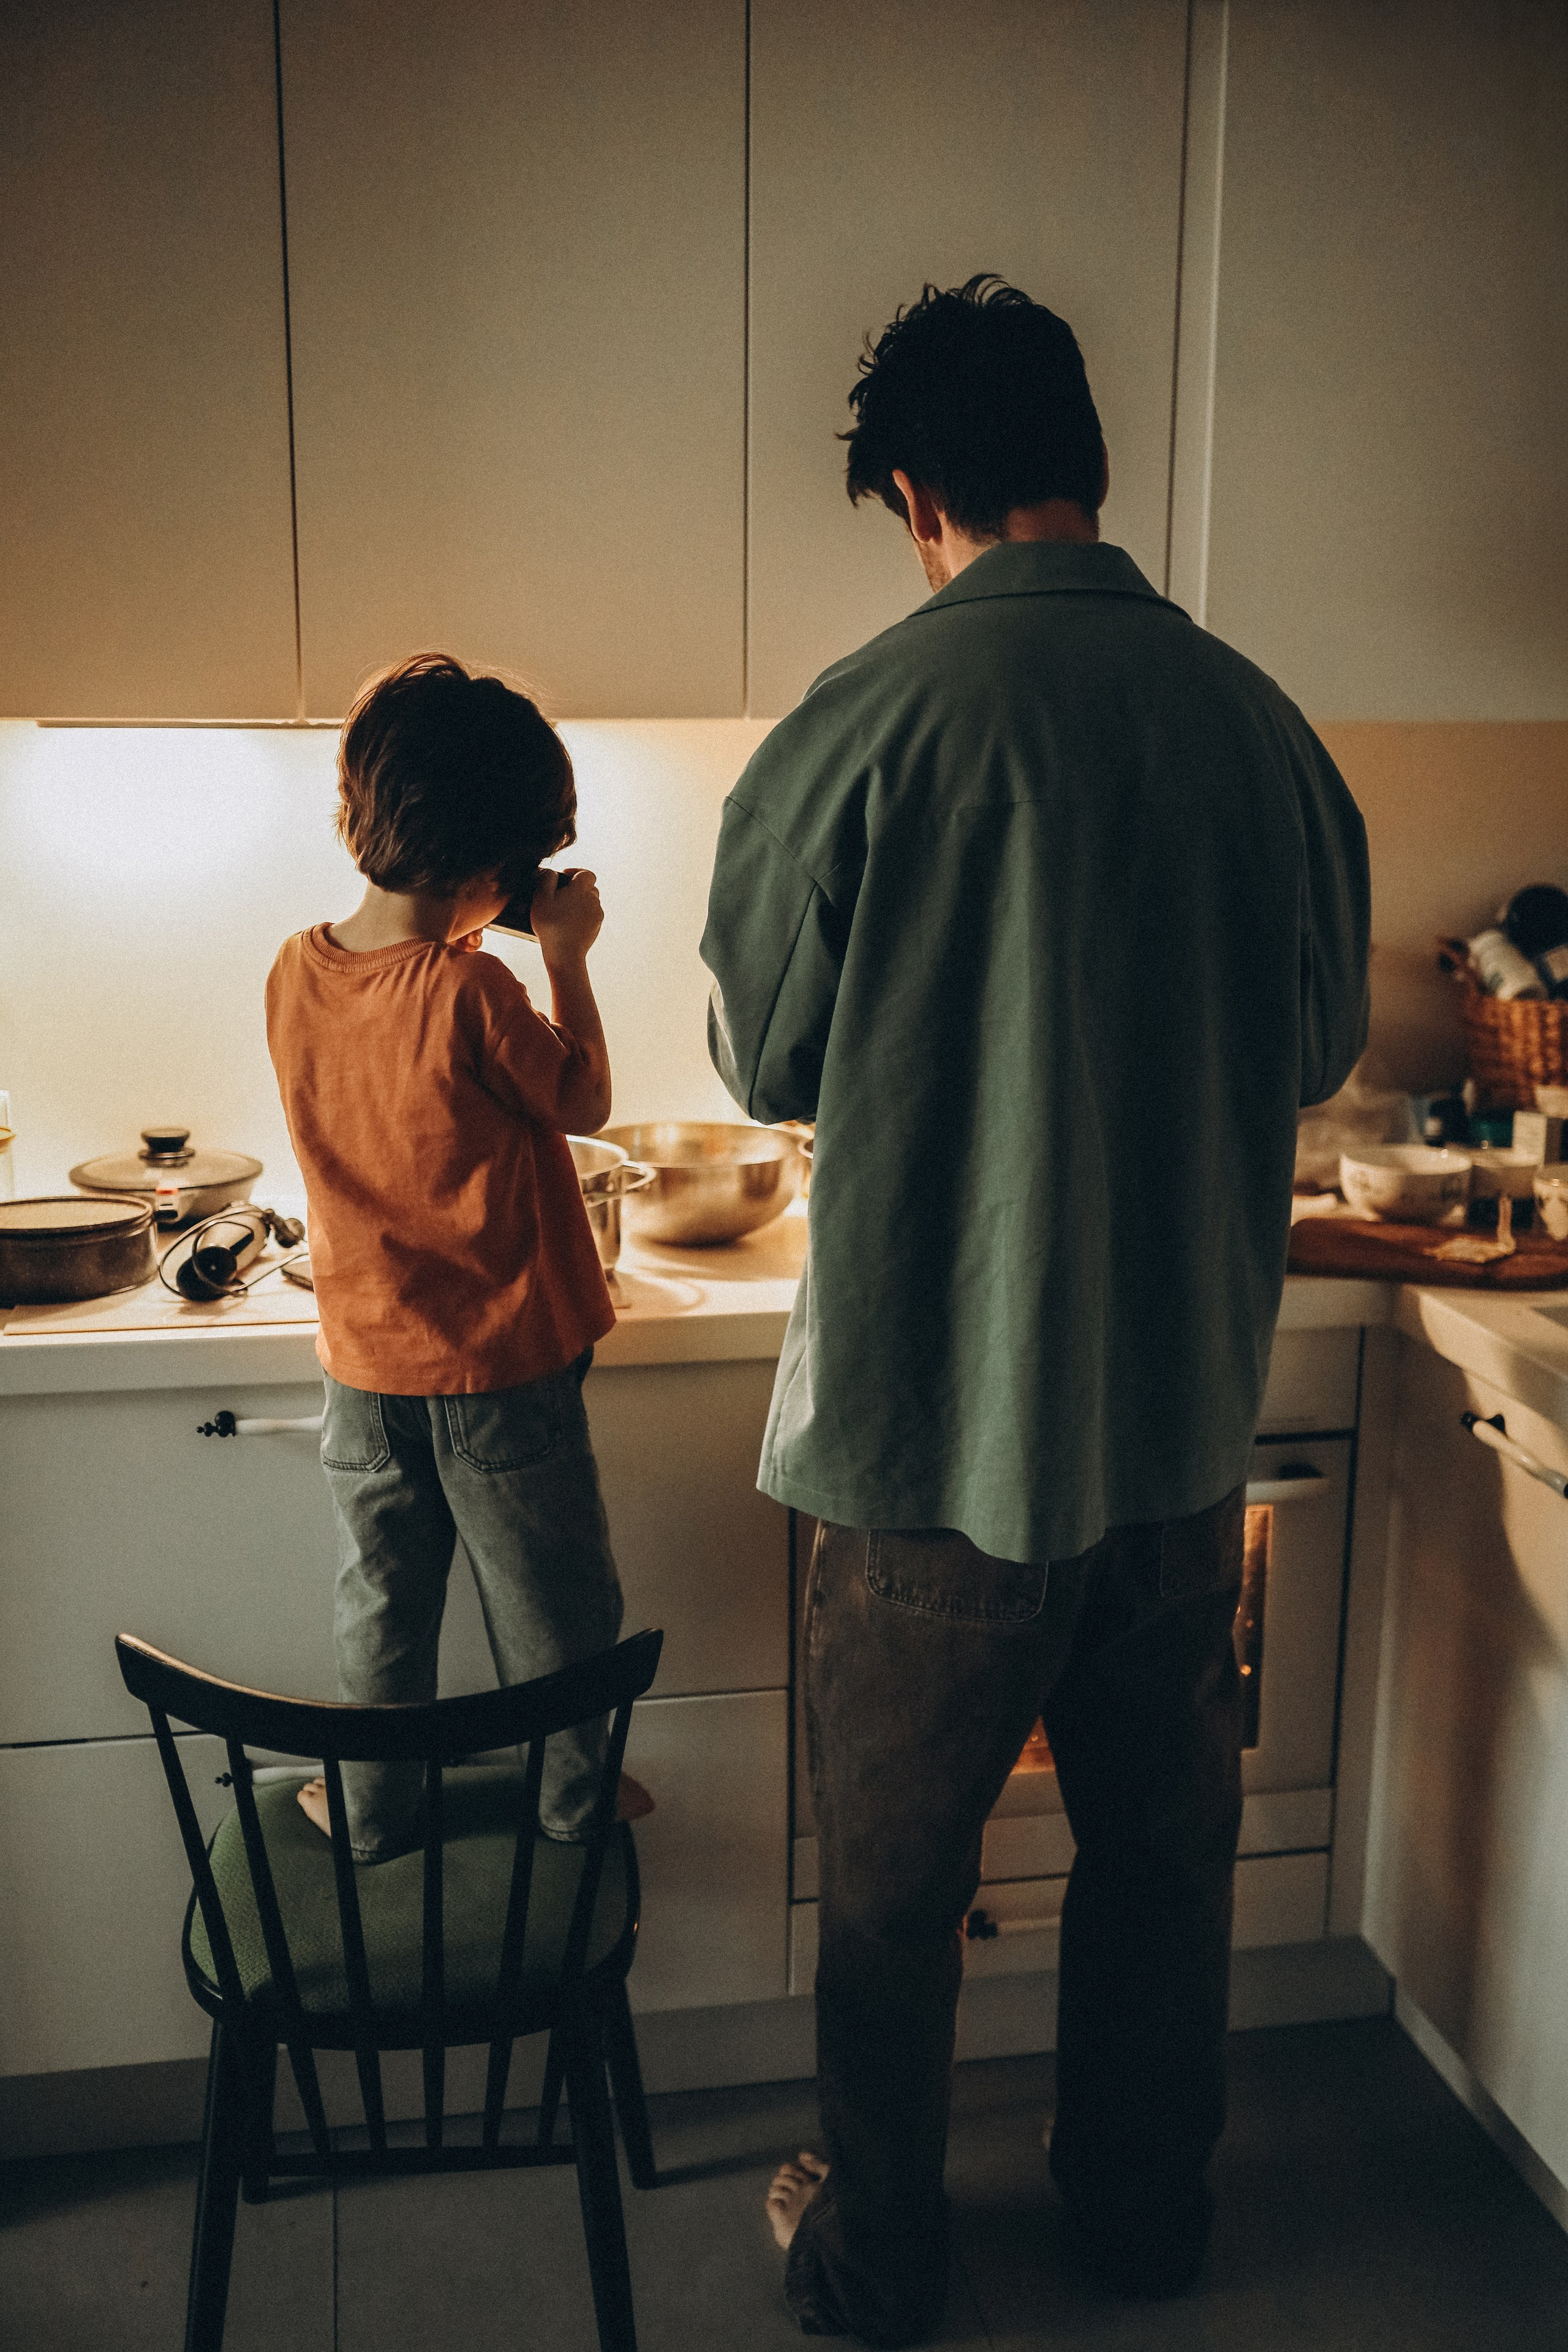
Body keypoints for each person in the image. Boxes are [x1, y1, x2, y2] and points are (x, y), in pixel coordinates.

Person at [701, 277, 1370, 2345]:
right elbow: (1319, 1043)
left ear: (918, 495)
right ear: (1088, 464)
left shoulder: (859, 726)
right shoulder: (1261, 729)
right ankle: (1143, 2219)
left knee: (898, 1899)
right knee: (1163, 1864)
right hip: (1175, 1438)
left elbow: (764, 1060)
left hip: (928, 1443)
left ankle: (880, 2260)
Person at [266, 650, 643, 1859]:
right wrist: (565, 954)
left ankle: (370, 1811)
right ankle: (573, 1805)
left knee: (382, 1601)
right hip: (498, 1373)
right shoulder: (472, 991)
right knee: (552, 1607)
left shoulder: (295, 970)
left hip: (362, 1372)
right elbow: (583, 1100)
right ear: (496, 861)